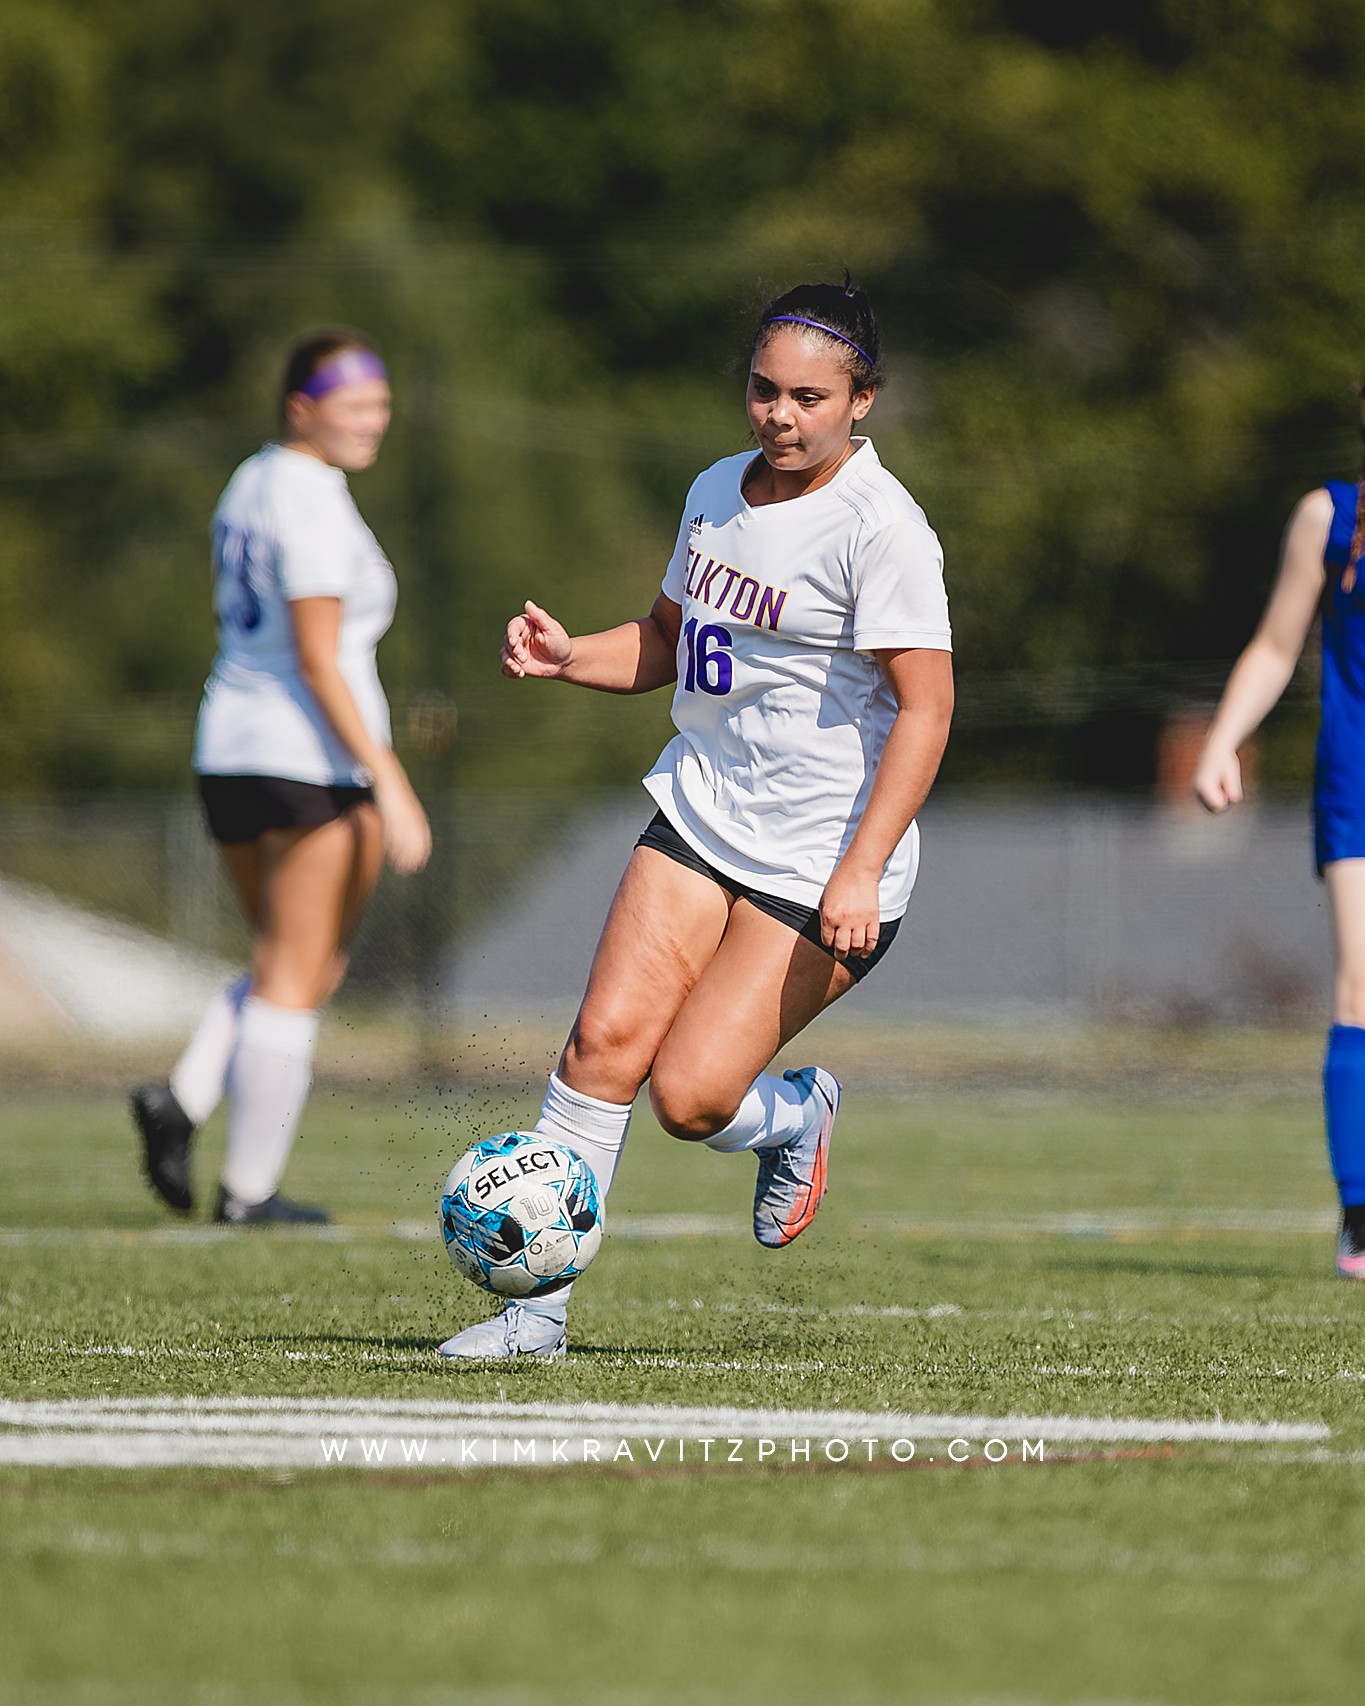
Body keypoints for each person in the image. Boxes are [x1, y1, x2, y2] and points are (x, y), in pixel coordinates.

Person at [438, 279, 954, 1360]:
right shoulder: (716, 488)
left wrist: (859, 870)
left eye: (809, 396)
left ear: (864, 399)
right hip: (702, 810)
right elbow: (674, 642)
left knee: (691, 1094)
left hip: (822, 861)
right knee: (602, 1045)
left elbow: (929, 707)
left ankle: (798, 1116)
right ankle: (533, 1318)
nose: (779, 414)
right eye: (764, 390)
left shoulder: (882, 529)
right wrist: (573, 652)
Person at [130, 330, 431, 1224]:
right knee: (298, 977)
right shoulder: (306, 497)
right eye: (354, 405)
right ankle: (247, 1191)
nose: (373, 420)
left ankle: (182, 1099)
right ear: (301, 408)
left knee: (285, 965)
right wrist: (391, 782)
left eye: (381, 403)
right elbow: (317, 658)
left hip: (227, 747)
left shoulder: (253, 478)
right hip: (308, 762)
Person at [1193, 412, 1365, 1279]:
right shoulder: (1327, 518)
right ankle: (1360, 1215)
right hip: (1357, 775)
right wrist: (1223, 738)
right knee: (1360, 984)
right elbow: (1274, 644)